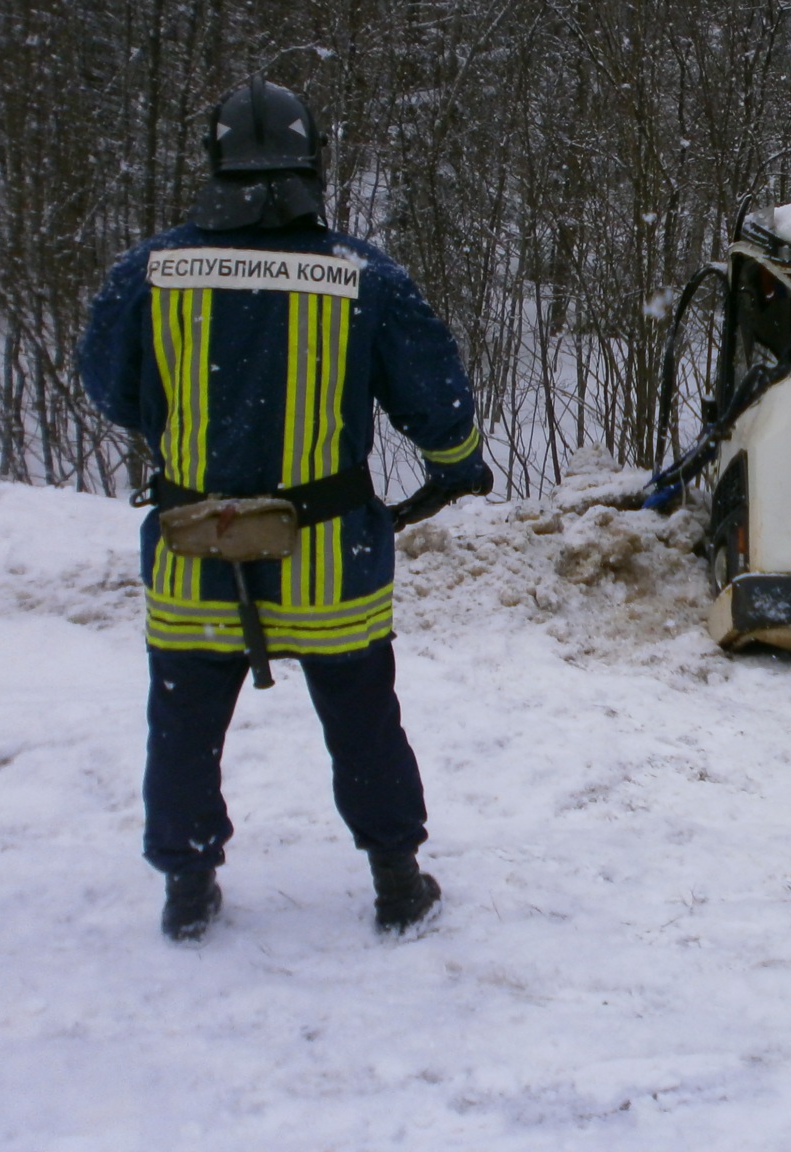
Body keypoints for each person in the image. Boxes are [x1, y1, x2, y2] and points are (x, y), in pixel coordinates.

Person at [79, 75, 493, 942]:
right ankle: (395, 880)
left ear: (214, 164)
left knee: (183, 724)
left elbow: (108, 390)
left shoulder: (148, 273)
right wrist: (456, 467)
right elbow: (437, 402)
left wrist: (187, 429)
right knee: (363, 716)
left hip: (194, 551)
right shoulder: (361, 276)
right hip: (330, 558)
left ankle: (187, 890)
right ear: (314, 165)